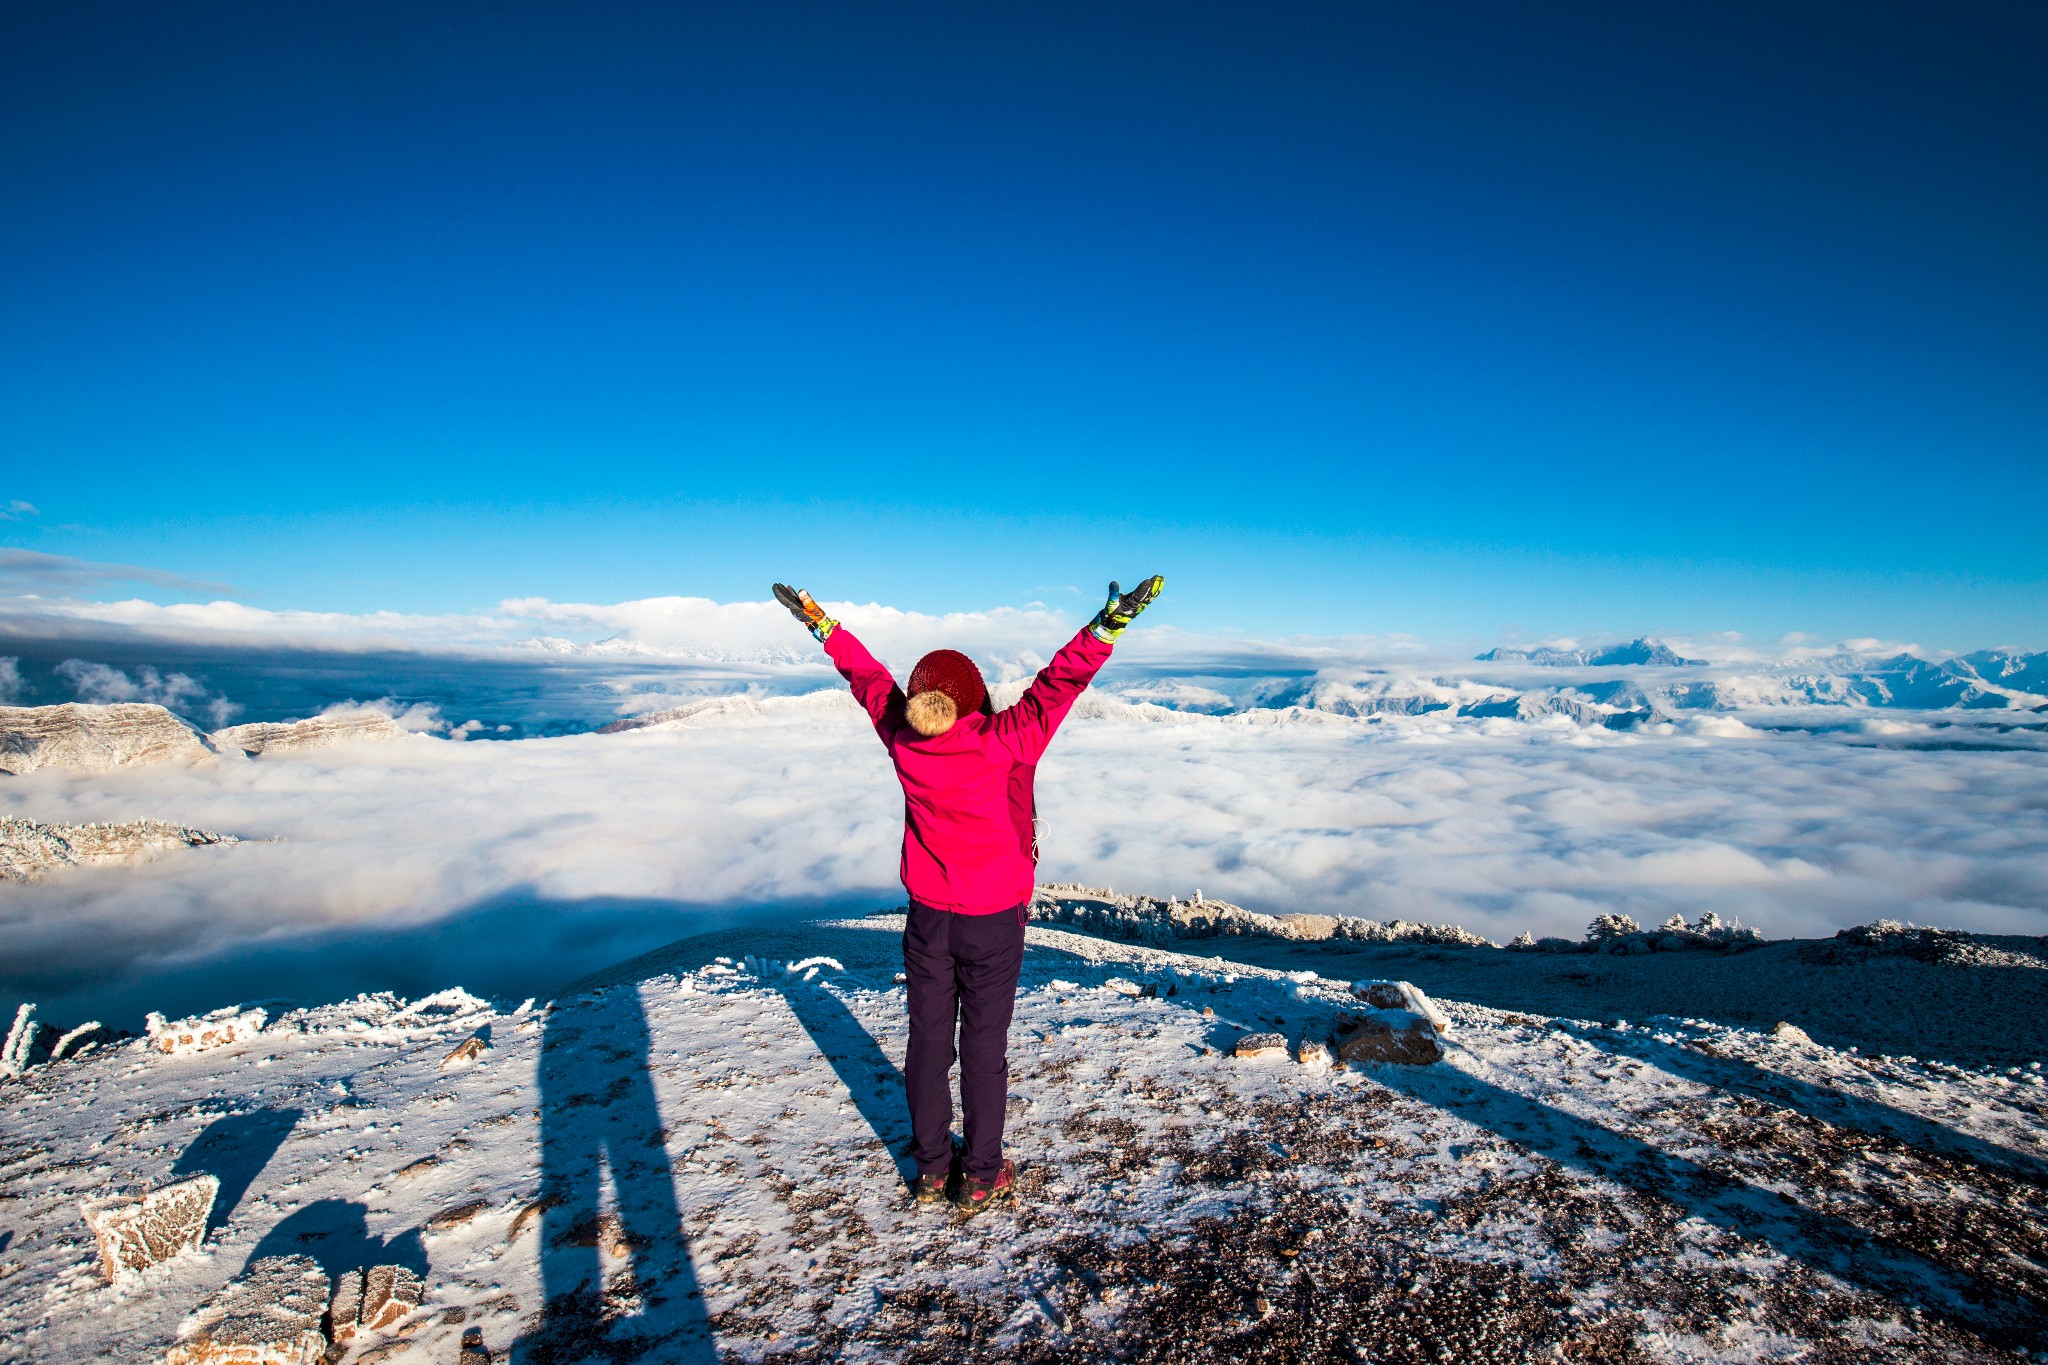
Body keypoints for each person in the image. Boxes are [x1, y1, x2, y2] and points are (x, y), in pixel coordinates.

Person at [771, 576, 1164, 1215]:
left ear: (922, 699)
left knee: (928, 1044)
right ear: (974, 696)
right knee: (985, 1050)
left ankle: (931, 1169)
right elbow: (1060, 683)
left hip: (929, 919)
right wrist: (1108, 625)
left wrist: (821, 623)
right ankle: (981, 1173)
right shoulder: (1008, 740)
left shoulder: (903, 739)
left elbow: (867, 680)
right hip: (994, 922)